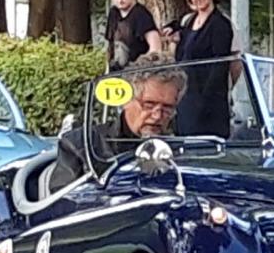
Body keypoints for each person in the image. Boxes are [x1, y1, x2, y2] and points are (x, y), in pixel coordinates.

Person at [48, 59, 189, 192]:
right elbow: (63, 201)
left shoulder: (180, 151)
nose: (157, 116)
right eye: (149, 105)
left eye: (167, 108)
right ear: (126, 100)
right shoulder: (81, 144)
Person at [171, 0, 236, 137]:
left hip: (207, 100)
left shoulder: (221, 24)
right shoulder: (189, 22)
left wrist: (205, 100)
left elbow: (220, 65)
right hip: (186, 96)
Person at [104, 0, 161, 72]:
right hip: (116, 72)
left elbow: (155, 48)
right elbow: (110, 46)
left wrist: (145, 69)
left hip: (138, 73)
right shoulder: (113, 13)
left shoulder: (141, 14)